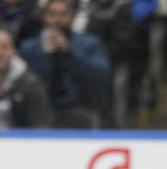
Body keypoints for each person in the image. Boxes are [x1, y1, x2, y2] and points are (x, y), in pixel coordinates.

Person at [19, 0, 110, 128]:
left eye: (63, 15)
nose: (57, 20)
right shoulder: (29, 48)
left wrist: (70, 52)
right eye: (52, 14)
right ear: (44, 17)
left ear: (72, 17)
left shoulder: (89, 43)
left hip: (79, 107)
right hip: (40, 109)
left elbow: (102, 74)